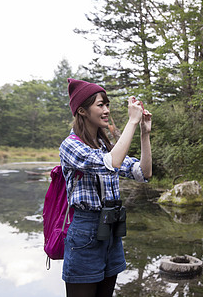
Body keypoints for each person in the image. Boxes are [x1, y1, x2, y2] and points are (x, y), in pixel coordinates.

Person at [59, 78, 152, 297]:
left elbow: (143, 173)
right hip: (85, 233)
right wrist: (131, 122)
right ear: (82, 110)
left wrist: (144, 133)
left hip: (111, 229)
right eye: (100, 105)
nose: (106, 110)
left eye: (107, 105)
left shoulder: (105, 146)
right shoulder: (71, 145)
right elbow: (111, 164)